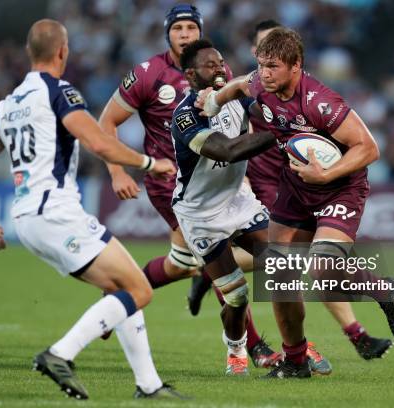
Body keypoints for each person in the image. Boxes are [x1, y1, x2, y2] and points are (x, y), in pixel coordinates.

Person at [0, 19, 185, 400]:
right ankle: (60, 354)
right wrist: (150, 163)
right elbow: (99, 142)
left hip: (27, 219)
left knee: (123, 287)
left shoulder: (7, 105)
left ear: (30, 53)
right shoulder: (59, 92)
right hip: (57, 213)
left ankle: (148, 385)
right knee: (140, 290)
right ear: (63, 52)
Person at [195, 27, 394, 377]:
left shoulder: (319, 101)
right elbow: (238, 84)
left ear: (296, 65)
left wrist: (326, 175)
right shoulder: (258, 83)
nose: (264, 73)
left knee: (324, 268)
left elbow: (369, 147)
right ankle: (296, 361)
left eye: (273, 67)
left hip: (340, 188)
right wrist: (213, 101)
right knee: (278, 273)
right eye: (261, 65)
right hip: (297, 190)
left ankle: (385, 292)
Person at [98, 3, 281, 368]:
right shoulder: (147, 74)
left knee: (183, 262)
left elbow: (239, 119)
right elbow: (106, 121)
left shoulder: (216, 70)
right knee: (219, 260)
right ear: (167, 34)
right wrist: (117, 171)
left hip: (218, 180)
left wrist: (241, 169)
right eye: (178, 28)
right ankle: (252, 348)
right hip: (174, 185)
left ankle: (117, 296)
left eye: (191, 28)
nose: (185, 34)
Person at [172, 39, 279, 375]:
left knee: (281, 261)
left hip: (237, 201)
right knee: (237, 298)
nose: (219, 69)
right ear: (191, 75)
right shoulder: (186, 117)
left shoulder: (232, 98)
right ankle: (236, 348)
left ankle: (297, 349)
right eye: (210, 65)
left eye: (221, 63)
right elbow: (228, 151)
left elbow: (264, 101)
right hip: (201, 215)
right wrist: (280, 130)